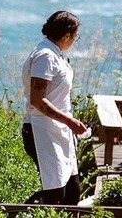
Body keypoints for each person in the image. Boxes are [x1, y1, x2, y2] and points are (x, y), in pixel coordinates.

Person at [21, 10, 87, 205]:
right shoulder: (45, 56)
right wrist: (70, 121)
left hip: (59, 131)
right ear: (67, 35)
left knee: (72, 191)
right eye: (76, 36)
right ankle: (16, 213)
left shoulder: (56, 54)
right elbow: (37, 99)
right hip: (41, 130)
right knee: (55, 194)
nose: (75, 40)